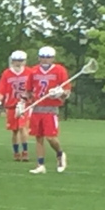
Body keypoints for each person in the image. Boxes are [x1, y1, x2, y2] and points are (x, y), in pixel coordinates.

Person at [24, 46, 69, 174]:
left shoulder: (59, 70)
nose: (45, 60)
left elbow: (67, 91)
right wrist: (23, 102)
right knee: (38, 137)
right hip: (37, 107)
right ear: (39, 57)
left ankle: (60, 154)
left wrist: (59, 93)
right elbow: (28, 91)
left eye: (48, 57)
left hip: (51, 108)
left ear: (53, 58)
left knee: (50, 137)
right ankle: (40, 165)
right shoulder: (34, 72)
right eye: (43, 57)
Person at [0, 50, 31, 161]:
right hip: (11, 105)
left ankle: (25, 151)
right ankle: (16, 152)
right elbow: (1, 90)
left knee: (23, 127)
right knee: (14, 130)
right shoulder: (7, 73)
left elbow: (32, 88)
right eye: (16, 60)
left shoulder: (29, 72)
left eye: (21, 60)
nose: (18, 63)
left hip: (24, 104)